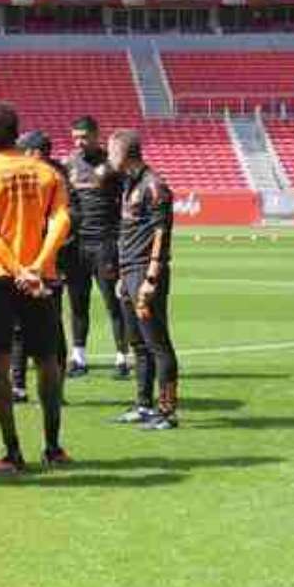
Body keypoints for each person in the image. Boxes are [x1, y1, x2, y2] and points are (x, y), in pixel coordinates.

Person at [0, 101, 72, 473]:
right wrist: (37, 266)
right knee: (47, 360)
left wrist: (15, 268)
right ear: (16, 132)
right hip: (41, 277)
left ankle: (12, 451)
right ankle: (53, 446)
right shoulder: (47, 173)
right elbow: (61, 220)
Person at [109, 129, 180, 430]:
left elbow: (161, 233)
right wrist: (122, 276)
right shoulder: (129, 184)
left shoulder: (155, 186)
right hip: (129, 272)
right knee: (137, 343)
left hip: (144, 272)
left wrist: (151, 276)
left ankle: (168, 412)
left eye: (112, 151)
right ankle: (143, 405)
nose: (109, 157)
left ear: (126, 153)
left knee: (157, 343)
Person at [63, 116, 128, 379]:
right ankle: (78, 357)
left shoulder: (112, 165)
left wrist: (120, 238)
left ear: (96, 135)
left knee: (114, 303)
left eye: (84, 137)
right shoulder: (69, 164)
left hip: (105, 244)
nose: (79, 142)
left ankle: (122, 358)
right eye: (75, 137)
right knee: (78, 304)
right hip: (77, 245)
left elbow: (126, 202)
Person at [15, 131, 72, 399]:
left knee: (50, 328)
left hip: (45, 266)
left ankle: (53, 388)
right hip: (25, 262)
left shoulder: (57, 177)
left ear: (34, 153)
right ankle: (19, 385)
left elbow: (72, 217)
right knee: (21, 328)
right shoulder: (36, 176)